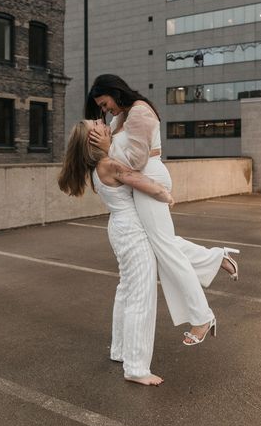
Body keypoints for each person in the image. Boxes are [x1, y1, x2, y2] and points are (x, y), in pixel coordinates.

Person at [85, 74, 240, 346]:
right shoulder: (120, 117)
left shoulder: (140, 112)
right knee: (161, 244)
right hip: (140, 180)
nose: (104, 108)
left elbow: (136, 158)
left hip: (150, 176)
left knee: (165, 249)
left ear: (114, 92)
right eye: (100, 106)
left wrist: (108, 147)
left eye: (104, 102)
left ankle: (202, 316)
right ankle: (217, 259)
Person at [58, 119, 174, 385]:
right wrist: (165, 194)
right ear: (93, 139)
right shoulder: (109, 164)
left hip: (120, 228)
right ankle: (136, 367)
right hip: (131, 230)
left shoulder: (99, 165)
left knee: (127, 291)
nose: (102, 121)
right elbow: (142, 181)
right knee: (141, 296)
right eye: (95, 124)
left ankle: (121, 351)